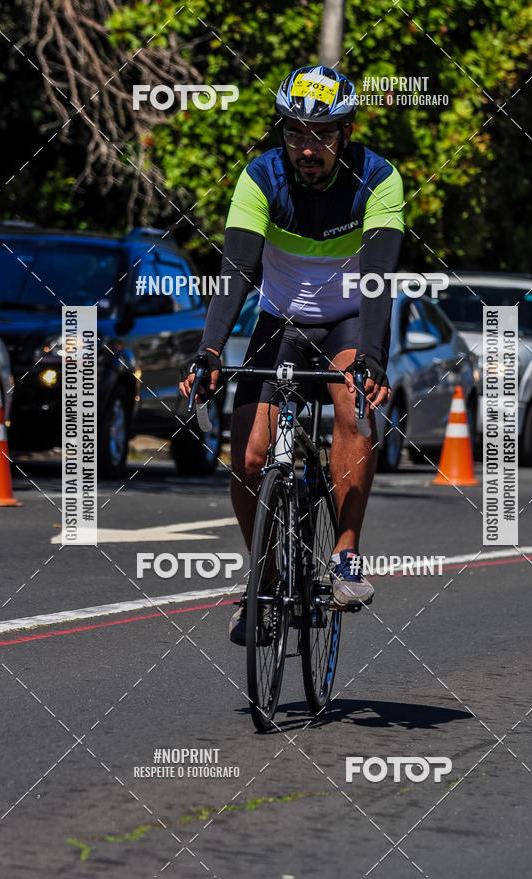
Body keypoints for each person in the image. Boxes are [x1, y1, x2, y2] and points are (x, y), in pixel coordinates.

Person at [179, 65, 404, 644]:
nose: (309, 147)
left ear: (346, 132)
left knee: (354, 407)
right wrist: (208, 349)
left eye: (323, 133)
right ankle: (265, 576)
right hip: (280, 321)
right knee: (251, 457)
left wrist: (372, 358)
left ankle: (346, 552)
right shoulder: (259, 178)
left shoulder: (379, 179)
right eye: (296, 132)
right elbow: (235, 271)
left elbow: (377, 278)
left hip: (349, 318)